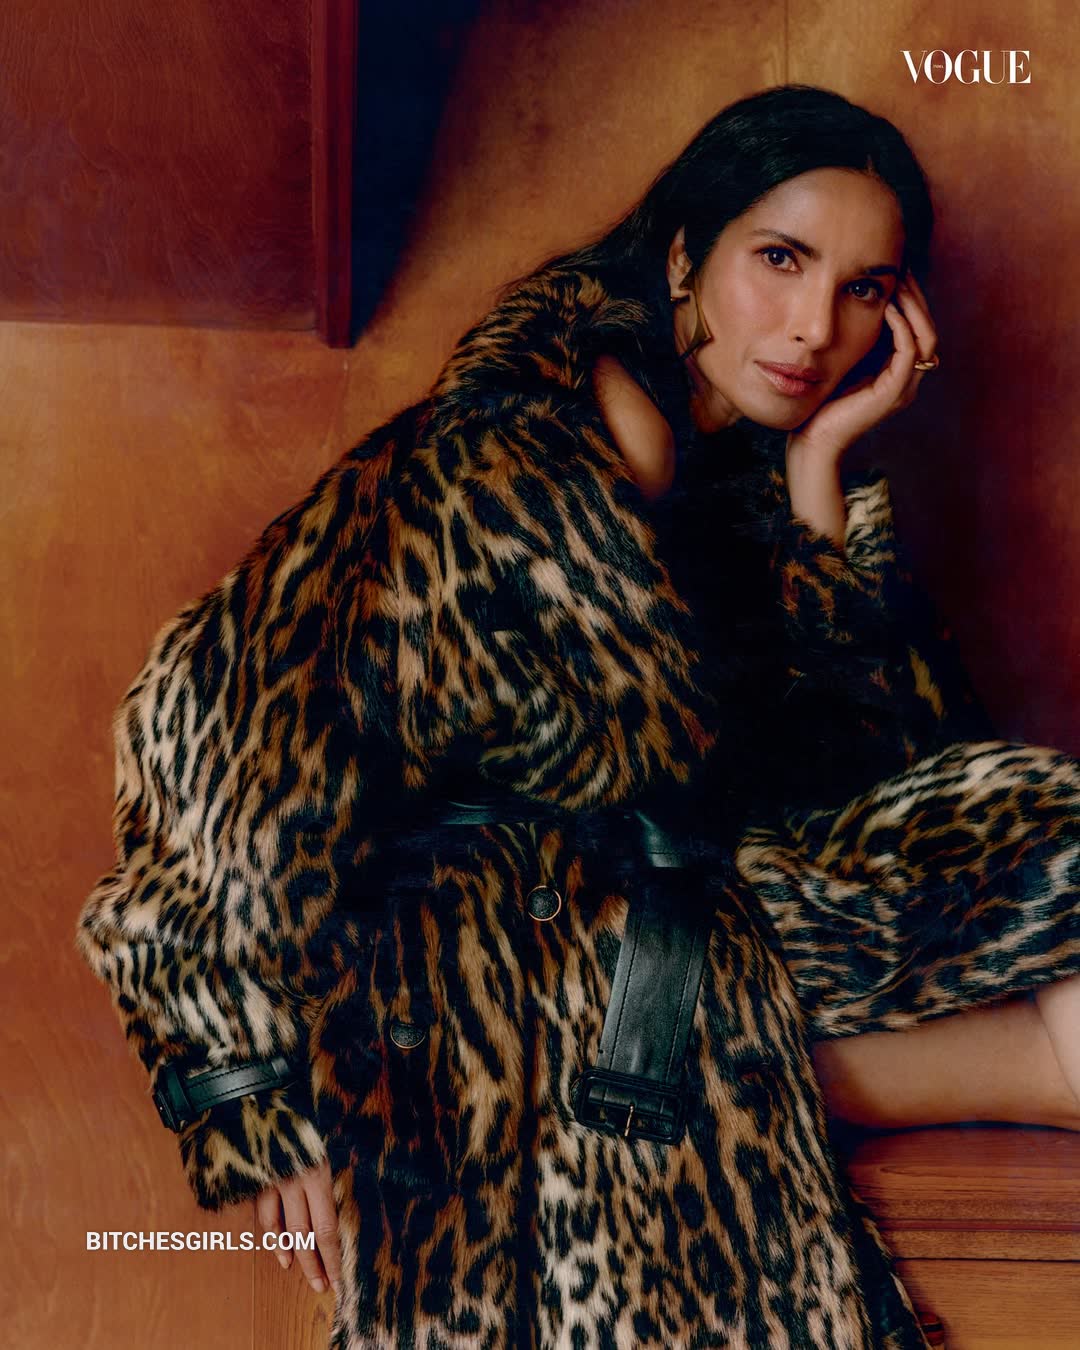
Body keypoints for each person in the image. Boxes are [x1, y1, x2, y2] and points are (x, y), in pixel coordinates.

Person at [76, 84, 1080, 1349]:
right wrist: (251, 1094)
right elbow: (207, 717)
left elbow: (880, 768)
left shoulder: (728, 471)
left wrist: (823, 471)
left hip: (670, 940)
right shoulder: (518, 441)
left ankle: (751, 1066)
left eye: (866, 287)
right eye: (781, 259)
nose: (816, 327)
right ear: (685, 257)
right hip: (503, 970)